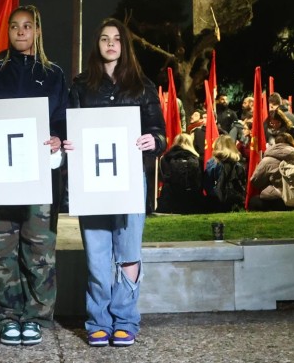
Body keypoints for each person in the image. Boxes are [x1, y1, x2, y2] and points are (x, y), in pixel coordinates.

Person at [0, 5, 68, 346]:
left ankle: (35, 317)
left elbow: (63, 122)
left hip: (38, 178)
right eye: (14, 26)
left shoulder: (54, 75)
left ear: (37, 31)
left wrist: (58, 140)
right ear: (7, 32)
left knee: (39, 251)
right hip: (0, 179)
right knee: (1, 249)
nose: (21, 31)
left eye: (28, 26)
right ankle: (7, 317)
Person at [67, 18, 165, 347]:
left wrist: (155, 140)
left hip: (129, 181)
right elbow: (68, 129)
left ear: (125, 46)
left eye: (117, 39)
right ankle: (98, 320)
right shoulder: (80, 86)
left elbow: (159, 130)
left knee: (128, 252)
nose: (111, 44)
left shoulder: (142, 85)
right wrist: (68, 143)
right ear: (97, 44)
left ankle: (125, 318)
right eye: (105, 38)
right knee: (96, 257)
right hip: (92, 182)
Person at [249, 132, 294, 211]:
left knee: (254, 201)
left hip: (277, 200)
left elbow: (255, 181)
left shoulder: (267, 160)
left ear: (276, 144)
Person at [158, 133, 204, 214]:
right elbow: (200, 180)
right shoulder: (197, 159)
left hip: (170, 199)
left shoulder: (165, 158)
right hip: (191, 199)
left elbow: (162, 177)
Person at [204, 134, 246, 212]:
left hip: (216, 201)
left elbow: (208, 184)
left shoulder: (212, 163)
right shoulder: (238, 164)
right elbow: (242, 183)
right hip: (235, 201)